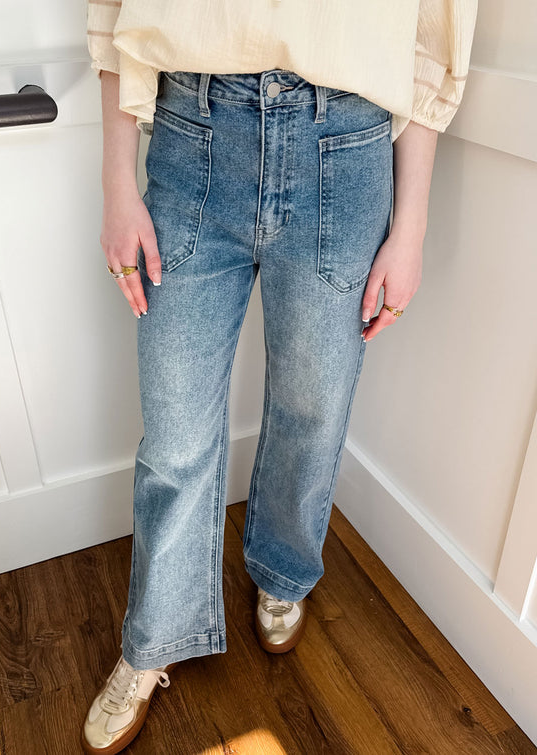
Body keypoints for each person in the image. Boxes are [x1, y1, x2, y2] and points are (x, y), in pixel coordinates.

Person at [82, 1, 478, 751]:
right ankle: (153, 638)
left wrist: (412, 226)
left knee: (313, 408)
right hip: (194, 130)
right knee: (174, 432)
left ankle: (283, 571)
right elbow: (112, 10)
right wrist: (116, 184)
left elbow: (435, 33)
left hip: (346, 145)